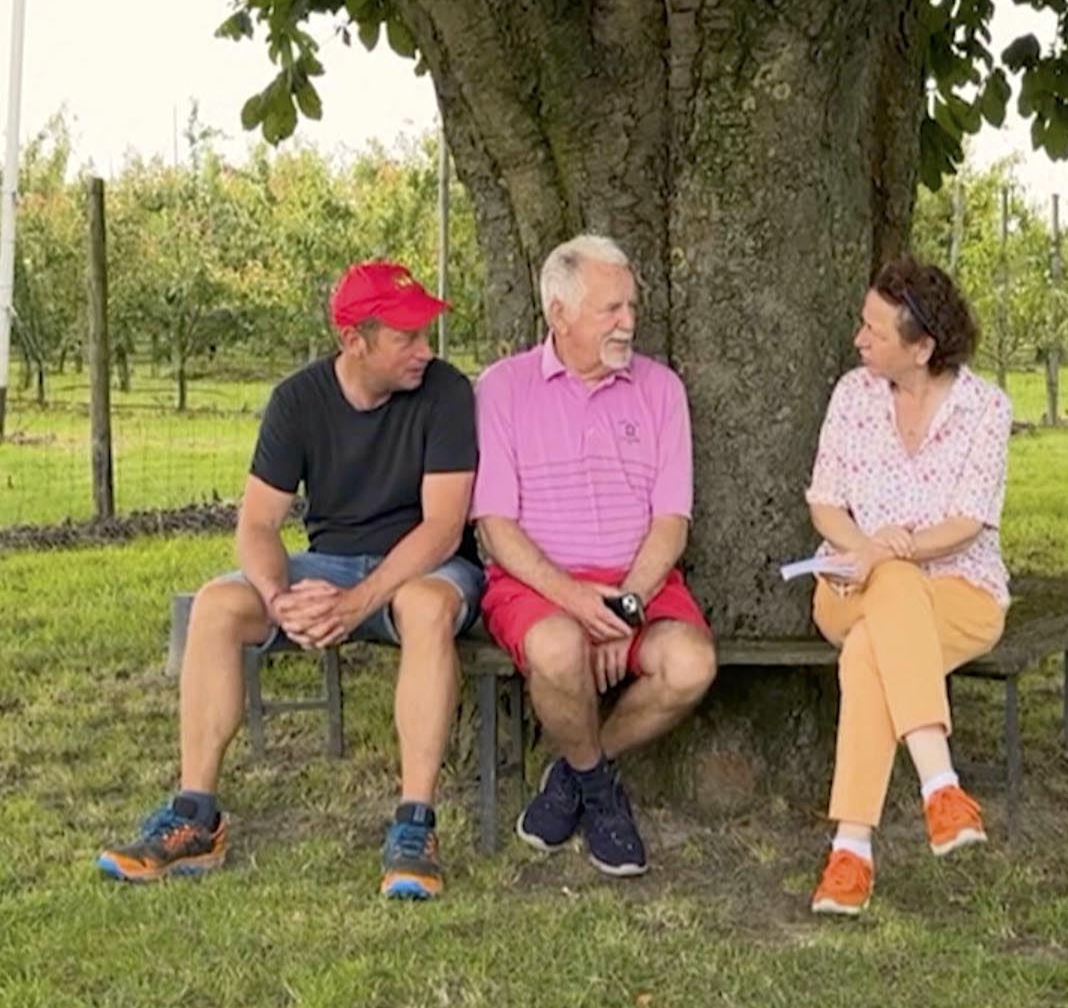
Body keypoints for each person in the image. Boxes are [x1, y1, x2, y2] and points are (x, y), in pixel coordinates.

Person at [97, 261, 483, 900]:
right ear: (354, 341)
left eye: (426, 334)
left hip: (424, 566)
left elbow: (444, 529)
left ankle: (414, 827)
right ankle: (195, 817)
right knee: (218, 605)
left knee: (424, 606)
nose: (426, 350)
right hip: (326, 566)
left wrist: (357, 601)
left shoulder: (446, 392)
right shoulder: (298, 400)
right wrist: (280, 598)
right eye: (406, 337)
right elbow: (256, 525)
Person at [471, 234, 716, 877]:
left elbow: (671, 524)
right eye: (611, 309)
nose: (628, 323)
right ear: (560, 313)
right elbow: (496, 526)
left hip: (639, 579)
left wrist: (624, 607)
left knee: (690, 665)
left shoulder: (661, 390)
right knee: (557, 649)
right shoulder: (501, 390)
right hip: (536, 585)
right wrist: (579, 603)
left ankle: (576, 773)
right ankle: (602, 794)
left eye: (630, 307)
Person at [803, 255, 1013, 916]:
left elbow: (967, 520)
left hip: (961, 593)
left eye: (873, 330)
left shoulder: (985, 408)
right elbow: (825, 502)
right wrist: (867, 551)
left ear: (920, 348)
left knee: (870, 652)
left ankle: (851, 851)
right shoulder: (851, 394)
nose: (858, 338)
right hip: (850, 584)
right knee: (887, 590)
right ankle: (938, 783)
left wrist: (896, 548)